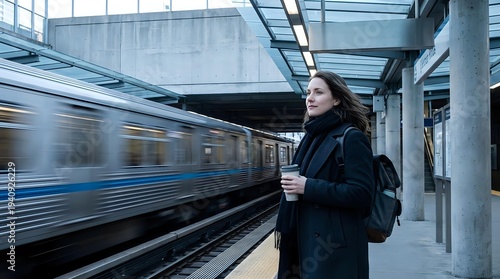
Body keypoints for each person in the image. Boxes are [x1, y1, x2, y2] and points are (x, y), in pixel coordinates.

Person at [275, 71, 375, 278]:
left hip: (332, 247)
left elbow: (362, 193)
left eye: (318, 92)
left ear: (337, 98)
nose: (309, 98)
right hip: (304, 240)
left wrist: (307, 187)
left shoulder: (350, 137)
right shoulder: (310, 138)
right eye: (308, 92)